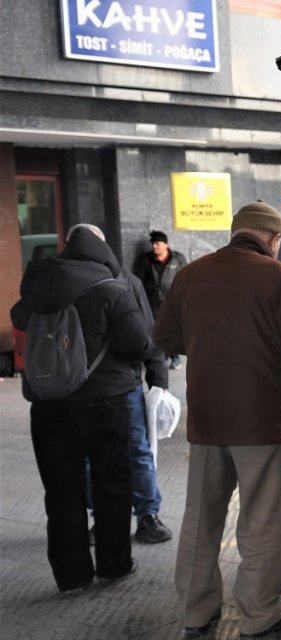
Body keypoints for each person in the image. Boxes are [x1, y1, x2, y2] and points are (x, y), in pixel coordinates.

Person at [153, 200, 281, 639]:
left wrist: (207, 339)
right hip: (261, 419)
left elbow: (162, 336)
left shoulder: (192, 273)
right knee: (262, 522)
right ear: (273, 238)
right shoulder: (278, 277)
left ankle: (196, 617)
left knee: (200, 519)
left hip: (206, 418)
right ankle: (260, 619)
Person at [9, 227, 151, 594]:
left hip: (48, 404)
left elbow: (19, 322)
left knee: (60, 490)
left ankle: (71, 577)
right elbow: (137, 344)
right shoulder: (111, 290)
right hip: (105, 402)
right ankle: (114, 566)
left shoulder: (37, 287)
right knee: (111, 484)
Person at [67, 225, 173, 545]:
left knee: (107, 455)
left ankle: (136, 516)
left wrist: (158, 378)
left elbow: (148, 333)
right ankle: (136, 517)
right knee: (128, 452)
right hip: (104, 385)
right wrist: (156, 377)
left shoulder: (124, 280)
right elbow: (145, 337)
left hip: (94, 386)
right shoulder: (80, 282)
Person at [132, 230, 187, 369]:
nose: (154, 246)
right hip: (152, 302)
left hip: (173, 300)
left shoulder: (178, 258)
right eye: (152, 244)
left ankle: (175, 357)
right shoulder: (145, 260)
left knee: (174, 329)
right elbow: (138, 280)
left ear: (165, 244)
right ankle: (159, 359)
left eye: (157, 243)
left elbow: (186, 277)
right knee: (156, 330)